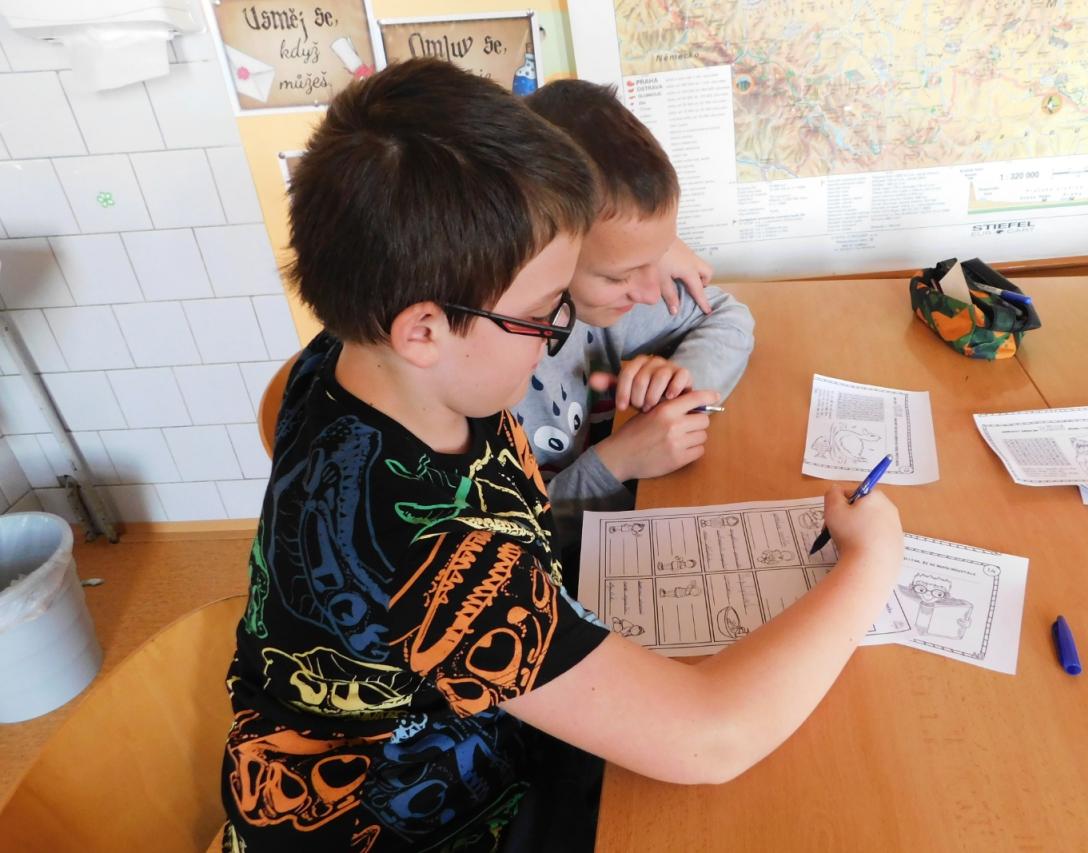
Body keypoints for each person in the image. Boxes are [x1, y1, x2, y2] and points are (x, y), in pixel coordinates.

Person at [221, 59, 906, 853]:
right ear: (424, 329)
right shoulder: (434, 557)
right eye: (547, 312)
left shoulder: (360, 353)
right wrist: (872, 563)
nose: (561, 332)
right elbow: (712, 736)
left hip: (472, 734)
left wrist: (641, 258)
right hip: (433, 826)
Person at [514, 80, 756, 567]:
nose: (650, 292)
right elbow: (502, 553)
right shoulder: (485, 365)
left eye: (659, 257)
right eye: (620, 275)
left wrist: (680, 381)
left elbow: (728, 317)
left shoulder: (602, 301)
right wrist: (615, 464)